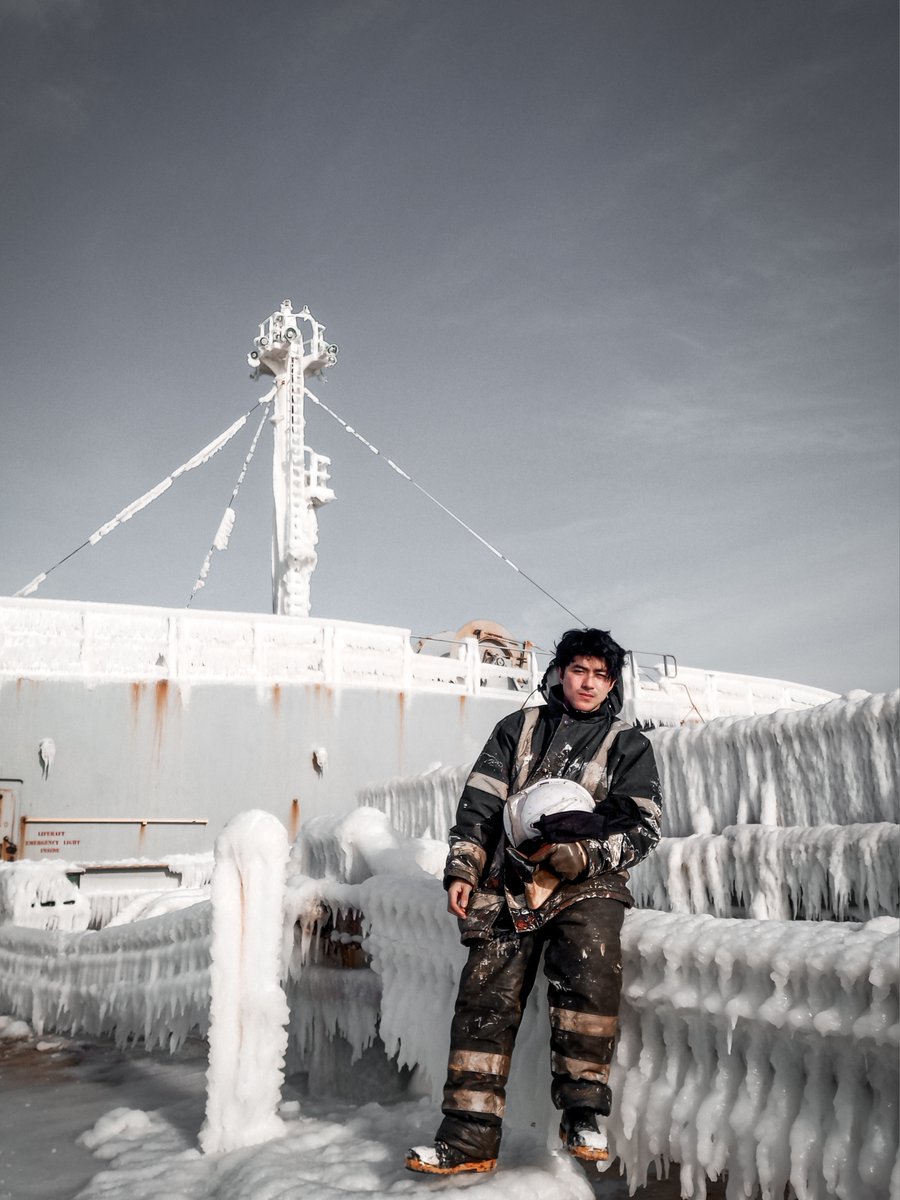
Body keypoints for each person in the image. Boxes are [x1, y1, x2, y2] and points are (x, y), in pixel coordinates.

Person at [405, 627, 663, 1175]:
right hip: (507, 883)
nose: (588, 683)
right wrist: (464, 867)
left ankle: (583, 1114)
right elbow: (478, 803)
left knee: (590, 969)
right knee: (483, 998)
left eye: (600, 675)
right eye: (579, 671)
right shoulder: (515, 729)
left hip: (587, 884)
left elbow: (643, 827)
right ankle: (469, 1138)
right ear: (560, 674)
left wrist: (585, 856)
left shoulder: (628, 745)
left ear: (612, 683)